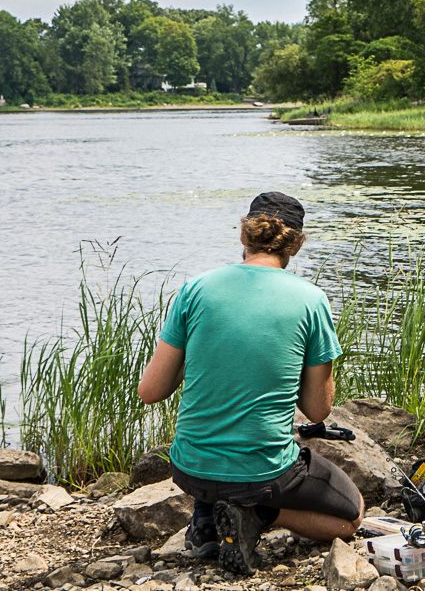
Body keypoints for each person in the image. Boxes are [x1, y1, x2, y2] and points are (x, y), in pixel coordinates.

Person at [137, 192, 363, 575]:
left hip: (189, 469)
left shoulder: (196, 289)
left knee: (217, 473)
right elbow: (318, 409)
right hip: (264, 473)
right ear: (296, 243)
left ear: (245, 236)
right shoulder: (310, 300)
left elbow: (151, 391)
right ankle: (260, 514)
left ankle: (209, 517)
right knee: (351, 518)